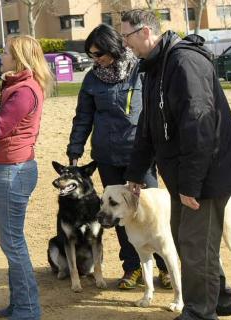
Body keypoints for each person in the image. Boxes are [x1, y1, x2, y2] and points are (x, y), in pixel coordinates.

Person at [121, 9, 231, 320]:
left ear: (145, 32)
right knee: (189, 241)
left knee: (196, 246)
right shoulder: (155, 67)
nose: (124, 43)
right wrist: (136, 172)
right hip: (185, 175)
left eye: (126, 36)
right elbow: (149, 124)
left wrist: (190, 185)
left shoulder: (184, 63)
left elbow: (199, 125)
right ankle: (221, 298)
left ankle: (199, 312)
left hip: (207, 174)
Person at [66, 24, 170, 291]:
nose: (95, 60)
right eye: (91, 55)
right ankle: (132, 267)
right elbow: (83, 117)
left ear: (113, 47)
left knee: (150, 213)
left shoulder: (140, 71)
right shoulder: (91, 79)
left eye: (99, 53)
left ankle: (163, 267)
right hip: (107, 156)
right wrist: (75, 150)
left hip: (140, 155)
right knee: (118, 214)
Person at [0, 35, 52, 320]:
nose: (1, 55)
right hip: (9, 168)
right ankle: (20, 302)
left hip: (12, 171)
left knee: (12, 242)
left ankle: (28, 308)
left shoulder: (24, 91)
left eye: (5, 52)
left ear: (18, 57)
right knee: (11, 240)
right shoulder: (17, 85)